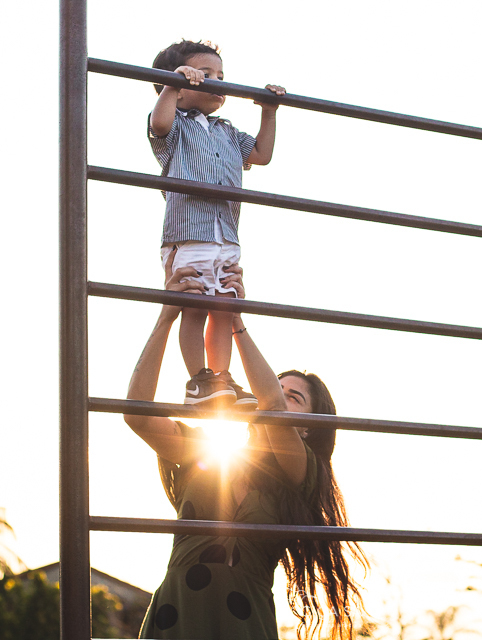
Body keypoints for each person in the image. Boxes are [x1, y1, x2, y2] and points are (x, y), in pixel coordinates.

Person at [124, 266, 367, 640]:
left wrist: (235, 319)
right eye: (277, 386)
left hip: (244, 625)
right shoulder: (206, 455)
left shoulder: (302, 475)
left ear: (308, 427)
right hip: (176, 617)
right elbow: (136, 414)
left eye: (294, 397)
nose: (278, 396)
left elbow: (272, 408)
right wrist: (166, 315)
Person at [148, 39, 285, 410]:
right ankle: (199, 380)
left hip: (226, 235)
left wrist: (268, 111)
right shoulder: (175, 125)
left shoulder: (227, 130)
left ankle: (220, 379)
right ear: (177, 89)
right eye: (204, 75)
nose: (217, 82)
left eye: (221, 76)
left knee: (224, 307)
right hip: (189, 233)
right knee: (193, 305)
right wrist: (172, 84)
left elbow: (262, 154)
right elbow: (159, 122)